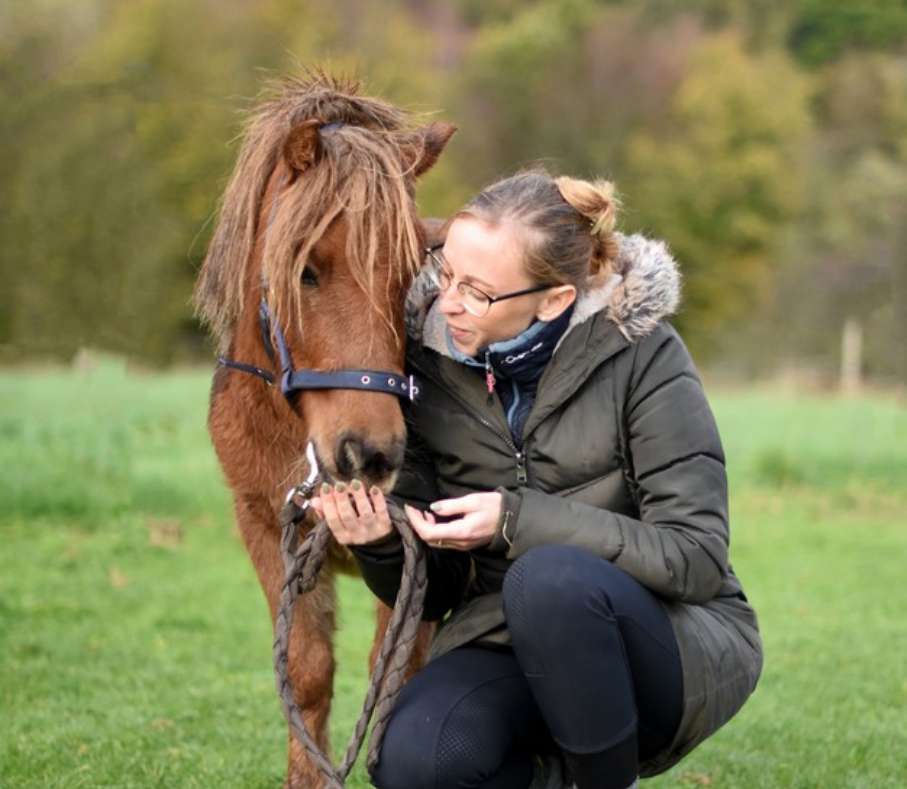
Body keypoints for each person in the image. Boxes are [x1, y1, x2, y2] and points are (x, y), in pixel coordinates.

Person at [310, 167, 763, 789]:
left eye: (478, 290)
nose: (449, 303)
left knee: (550, 581)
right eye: (446, 275)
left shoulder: (646, 356)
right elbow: (435, 592)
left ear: (554, 300)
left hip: (666, 647)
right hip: (502, 641)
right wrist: (381, 543)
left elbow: (694, 557)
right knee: (415, 762)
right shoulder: (430, 369)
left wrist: (516, 520)